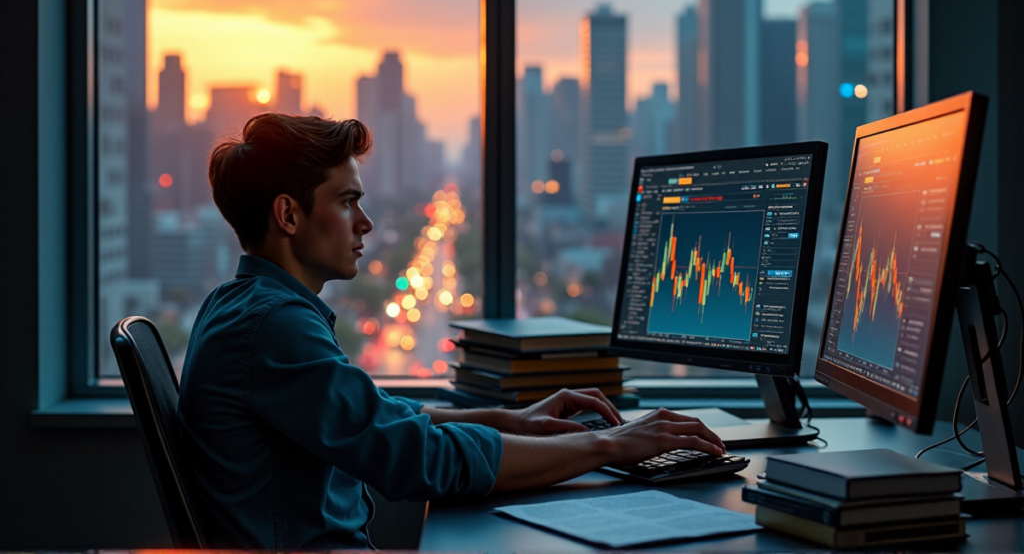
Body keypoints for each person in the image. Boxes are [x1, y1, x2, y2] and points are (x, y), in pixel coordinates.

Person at [177, 113, 725, 549]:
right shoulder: (272, 327)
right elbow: (416, 459)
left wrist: (508, 419)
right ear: (288, 216)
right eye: (347, 202)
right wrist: (606, 443)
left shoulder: (244, 308)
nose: (365, 222)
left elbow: (376, 416)